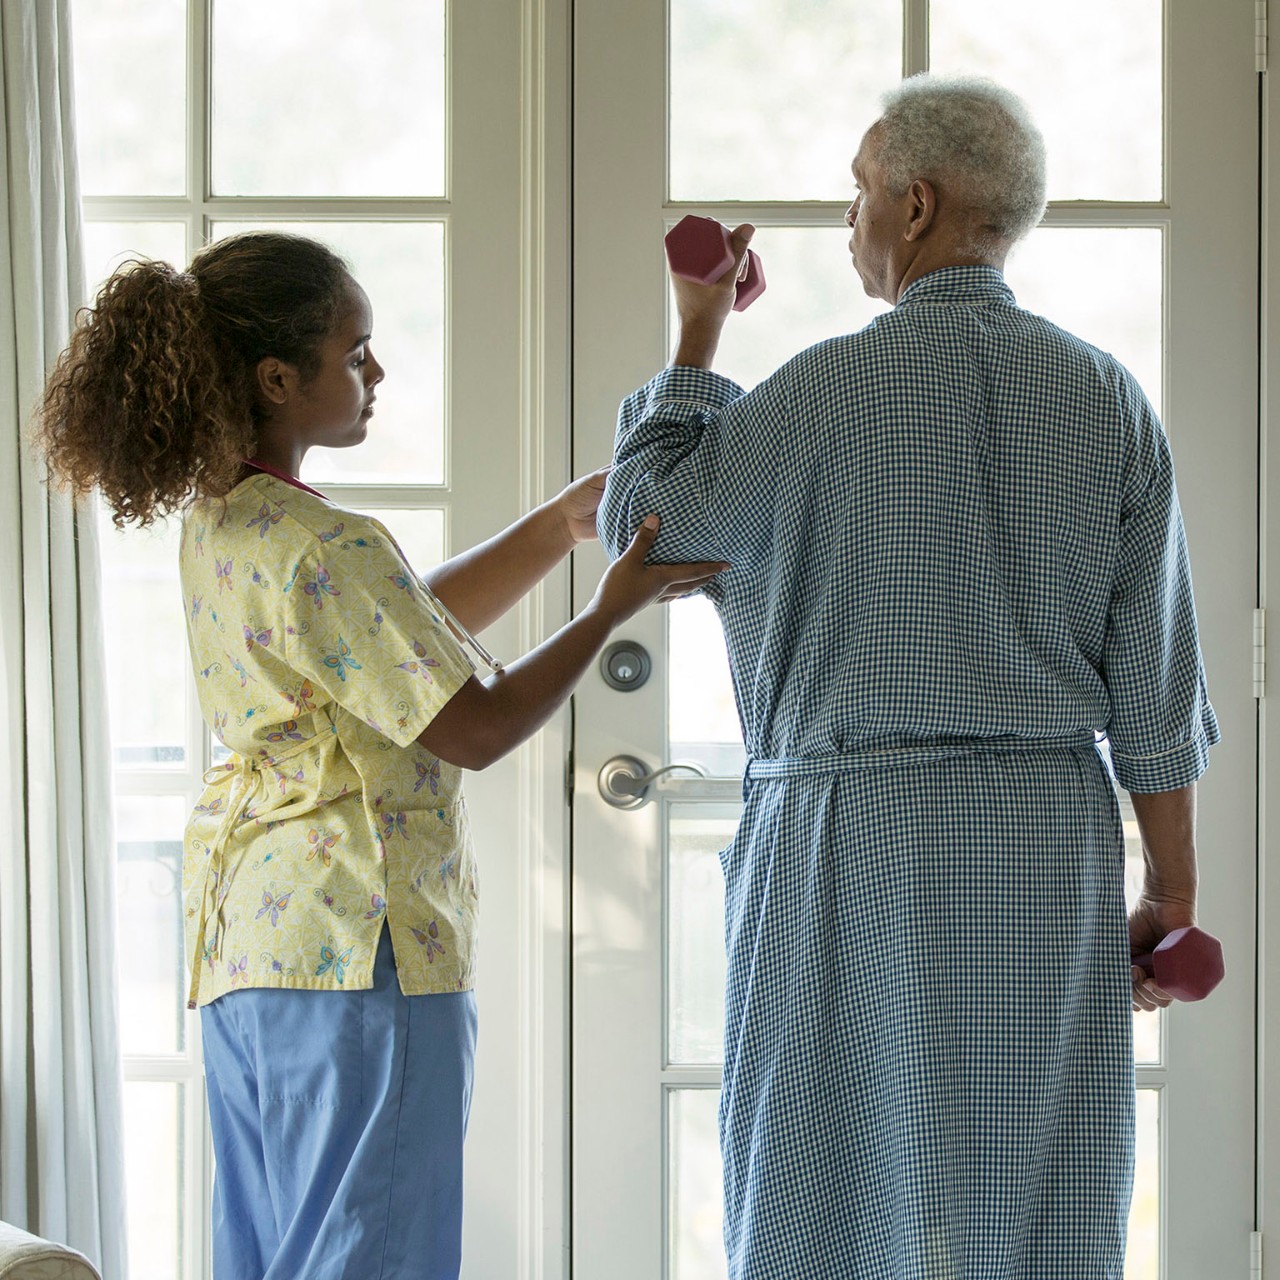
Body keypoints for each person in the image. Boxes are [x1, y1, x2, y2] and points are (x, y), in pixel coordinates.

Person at [598, 75, 1216, 1278]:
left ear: (916, 205)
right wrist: (1170, 893)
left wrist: (694, 334)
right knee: (1031, 1180)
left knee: (819, 1176)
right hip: (1039, 842)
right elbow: (1152, 691)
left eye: (856, 193)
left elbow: (645, 537)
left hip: (842, 837)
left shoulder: (817, 393)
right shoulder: (1107, 400)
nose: (848, 222)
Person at [35, 230, 725, 1280]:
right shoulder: (329, 544)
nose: (376, 373)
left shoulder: (228, 523)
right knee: (371, 1253)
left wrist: (553, 528)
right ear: (277, 377)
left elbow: (391, 641)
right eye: (355, 352)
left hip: (251, 943)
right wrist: (609, 610)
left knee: (274, 1251)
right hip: (365, 939)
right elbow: (477, 723)